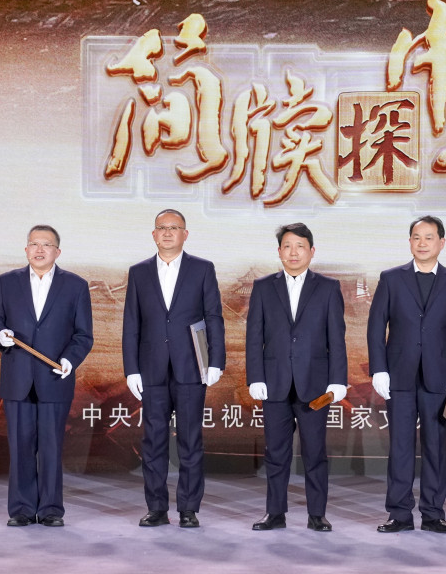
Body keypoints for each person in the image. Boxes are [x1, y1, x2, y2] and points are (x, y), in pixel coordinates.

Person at [367, 216, 446, 534]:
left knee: (436, 448)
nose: (422, 243)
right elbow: (376, 327)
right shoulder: (391, 278)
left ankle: (433, 513)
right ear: (410, 242)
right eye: (416, 237)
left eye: (429, 237)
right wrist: (379, 368)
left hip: (439, 379)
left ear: (442, 242)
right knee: (400, 447)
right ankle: (399, 514)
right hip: (398, 376)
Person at [0, 225, 93, 527]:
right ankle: (20, 508)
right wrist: (0, 334)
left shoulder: (75, 286)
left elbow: (83, 335)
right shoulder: (7, 282)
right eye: (34, 244)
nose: (39, 249)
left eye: (46, 244)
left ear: (58, 251)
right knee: (20, 446)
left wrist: (69, 360)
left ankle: (51, 509)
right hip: (17, 378)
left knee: (51, 448)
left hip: (54, 378)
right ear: (26, 249)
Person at [123, 209, 225, 528]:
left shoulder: (202, 269)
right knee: (153, 440)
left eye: (174, 227)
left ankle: (188, 508)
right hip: (151, 368)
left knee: (190, 440)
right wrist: (131, 369)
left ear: (185, 234)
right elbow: (131, 323)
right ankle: (156, 508)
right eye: (162, 228)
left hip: (191, 366)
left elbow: (213, 317)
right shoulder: (139, 272)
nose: (168, 232)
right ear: (154, 234)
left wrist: (215, 361)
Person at [246, 223, 347, 532]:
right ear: (279, 252)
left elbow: (337, 338)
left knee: (315, 452)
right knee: (276, 453)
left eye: (300, 246)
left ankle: (317, 514)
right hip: (274, 383)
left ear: (311, 251)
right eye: (287, 246)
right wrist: (255, 376)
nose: (293, 252)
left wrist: (338, 380)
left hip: (314, 386)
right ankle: (275, 513)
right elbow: (254, 336)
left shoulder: (328, 288)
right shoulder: (263, 287)